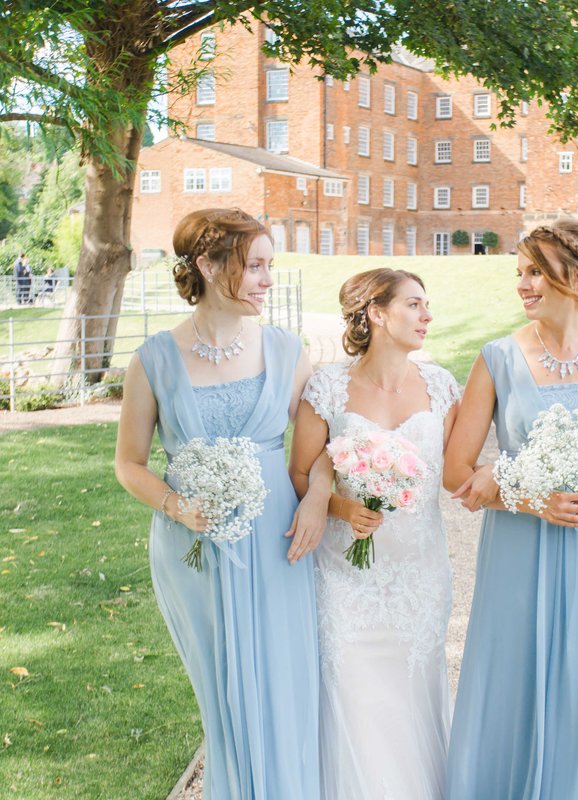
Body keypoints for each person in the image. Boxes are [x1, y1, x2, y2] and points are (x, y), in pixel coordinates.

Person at [114, 208, 327, 799]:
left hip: (278, 541)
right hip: (194, 548)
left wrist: (316, 503)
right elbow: (128, 464)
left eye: (269, 267)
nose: (266, 280)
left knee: (284, 682)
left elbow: (323, 449)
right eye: (254, 266)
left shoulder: (287, 351)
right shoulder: (152, 361)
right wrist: (179, 507)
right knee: (225, 691)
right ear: (208, 266)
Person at [444, 218, 578, 799]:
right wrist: (533, 501)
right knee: (515, 677)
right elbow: (457, 473)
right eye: (519, 272)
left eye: (535, 271)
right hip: (520, 546)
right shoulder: (496, 359)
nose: (523, 283)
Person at [288, 268, 460, 800]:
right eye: (414, 304)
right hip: (346, 579)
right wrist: (339, 504)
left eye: (427, 305)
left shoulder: (442, 387)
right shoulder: (328, 387)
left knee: (414, 696)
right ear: (376, 313)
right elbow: (301, 472)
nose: (427, 315)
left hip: (420, 575)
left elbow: (455, 473)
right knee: (357, 702)